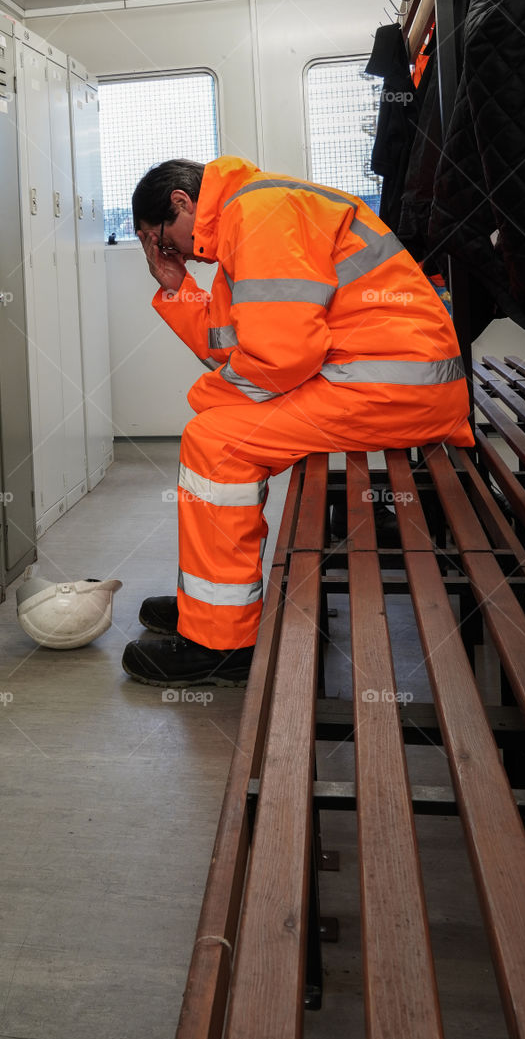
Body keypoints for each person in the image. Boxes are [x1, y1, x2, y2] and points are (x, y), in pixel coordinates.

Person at [122, 155, 474, 689]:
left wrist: (210, 398)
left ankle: (222, 642)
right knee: (215, 432)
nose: (171, 254)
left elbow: (282, 358)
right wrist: (174, 285)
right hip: (384, 380)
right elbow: (228, 346)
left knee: (215, 443)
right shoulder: (253, 213)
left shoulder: (261, 212)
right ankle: (208, 610)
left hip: (392, 386)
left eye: (164, 242)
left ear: (181, 202)